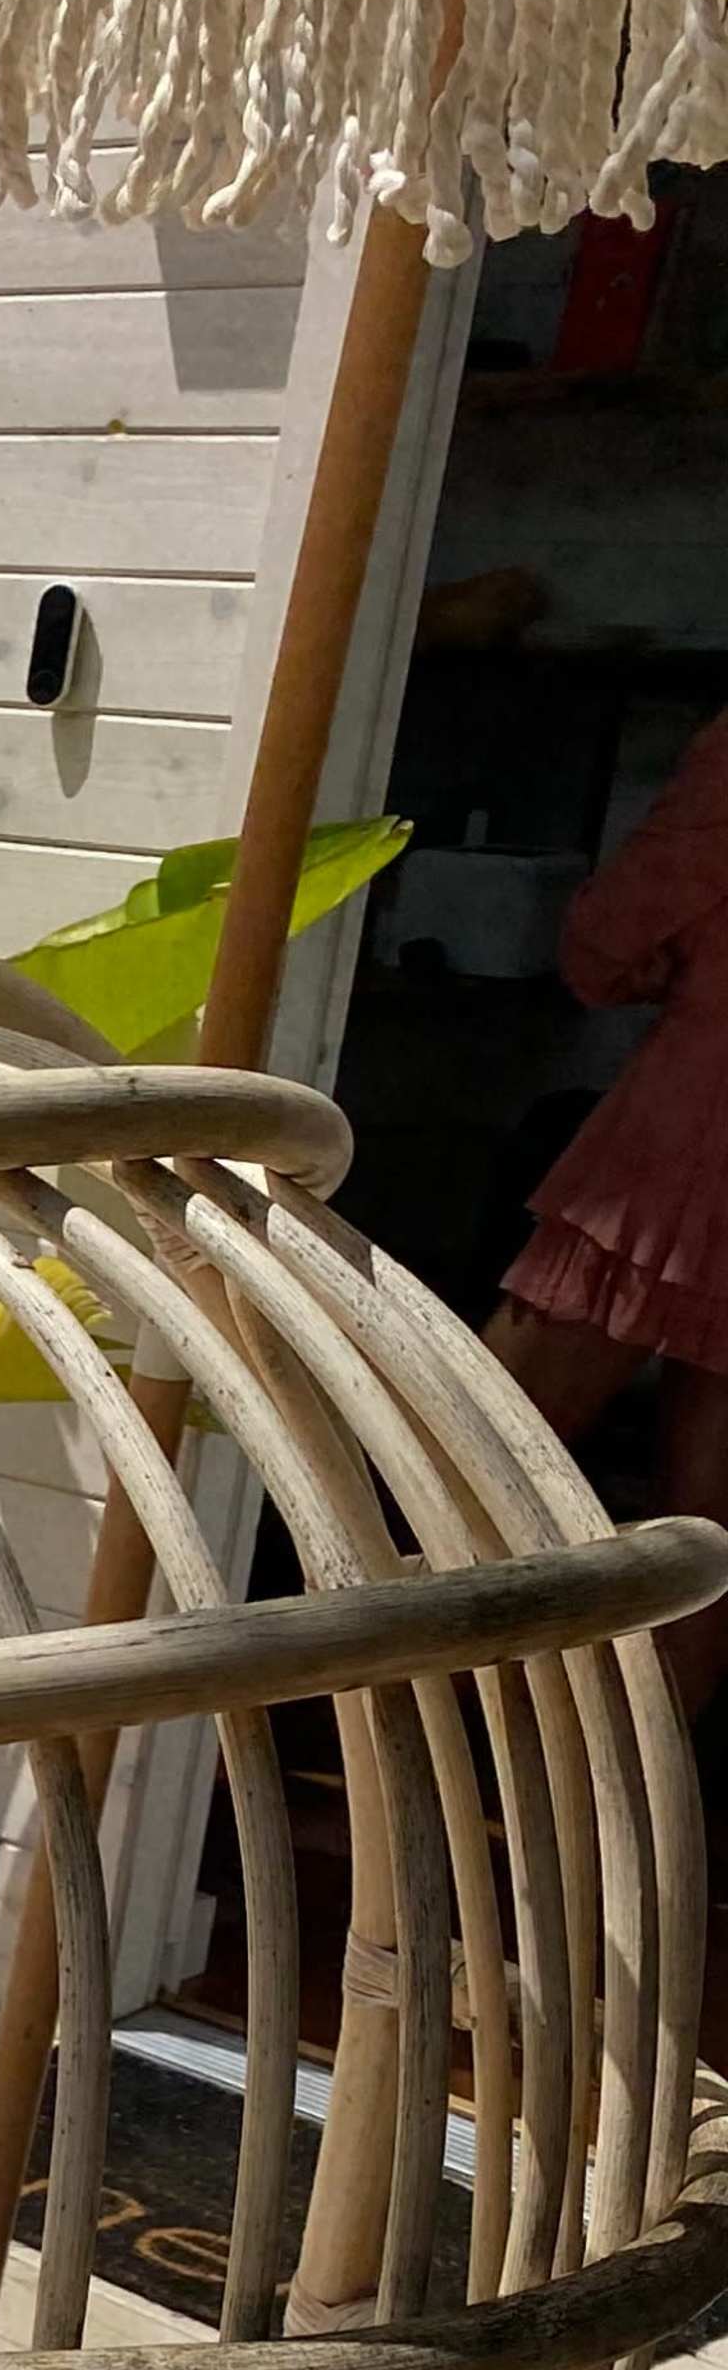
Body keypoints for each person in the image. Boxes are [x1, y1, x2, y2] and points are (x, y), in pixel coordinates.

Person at [487, 705, 728, 1725]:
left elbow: (605, 949)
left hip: (692, 1144)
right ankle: (643, 1838)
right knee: (709, 1528)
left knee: (465, 1453)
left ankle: (402, 1765)